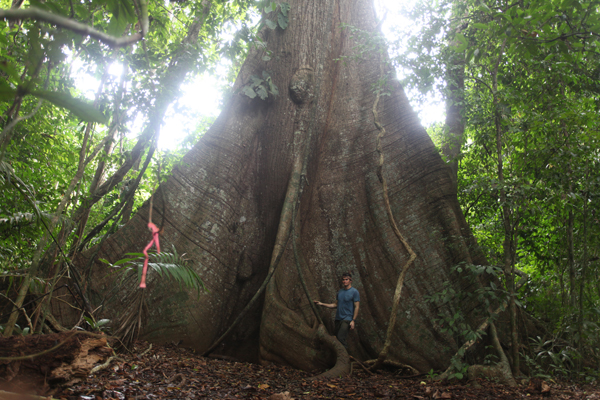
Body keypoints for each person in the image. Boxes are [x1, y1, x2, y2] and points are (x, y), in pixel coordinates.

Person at [314, 272, 360, 348]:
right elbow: (335, 305)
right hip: (338, 319)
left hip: (347, 319)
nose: (345, 281)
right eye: (343, 279)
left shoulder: (354, 292)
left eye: (347, 279)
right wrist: (321, 304)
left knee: (340, 337)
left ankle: (345, 357)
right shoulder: (340, 292)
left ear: (350, 281)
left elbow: (357, 307)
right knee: (337, 339)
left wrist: (353, 320)